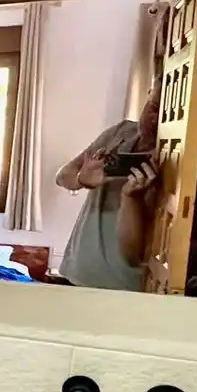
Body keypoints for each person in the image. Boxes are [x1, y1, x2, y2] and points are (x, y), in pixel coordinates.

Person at [55, 92, 161, 290]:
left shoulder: (173, 159)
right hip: (78, 271)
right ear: (147, 95)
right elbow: (62, 176)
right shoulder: (120, 132)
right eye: (154, 106)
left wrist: (132, 198)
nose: (154, 120)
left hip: (120, 285)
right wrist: (81, 180)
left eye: (164, 114)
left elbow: (133, 254)